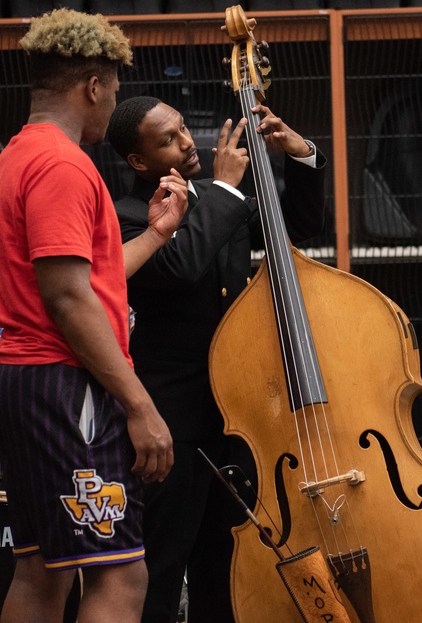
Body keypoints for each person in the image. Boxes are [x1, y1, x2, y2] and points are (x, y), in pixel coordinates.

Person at [0, 9, 187, 623]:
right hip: (66, 387)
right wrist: (141, 406)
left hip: (24, 380)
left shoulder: (17, 156)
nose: (112, 103)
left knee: (43, 571)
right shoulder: (64, 166)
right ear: (93, 86)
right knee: (121, 577)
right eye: (114, 91)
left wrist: (154, 234)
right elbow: (69, 299)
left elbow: (88, 280)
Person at [106, 96, 327, 623]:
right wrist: (227, 189)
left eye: (184, 129)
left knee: (226, 568)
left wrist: (301, 155)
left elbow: (297, 224)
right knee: (160, 568)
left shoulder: (213, 200)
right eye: (167, 140)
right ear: (138, 162)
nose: (186, 143)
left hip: (238, 419)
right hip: (173, 422)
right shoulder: (127, 216)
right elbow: (181, 265)